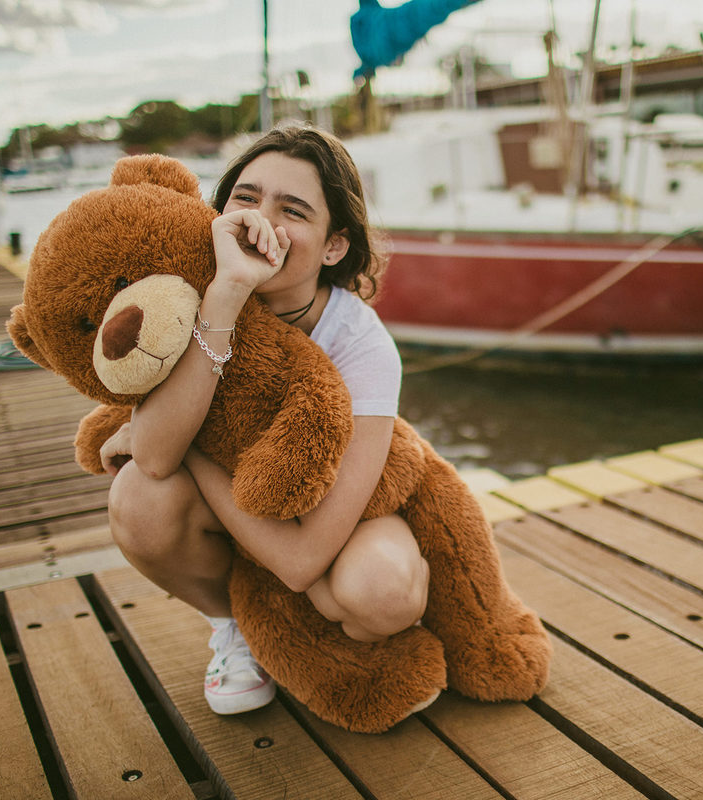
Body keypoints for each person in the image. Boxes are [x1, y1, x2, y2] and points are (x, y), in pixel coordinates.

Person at [98, 124, 429, 715]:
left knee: (382, 594)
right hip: (236, 508)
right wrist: (225, 294)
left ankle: (307, 628)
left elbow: (303, 561)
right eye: (246, 198)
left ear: (333, 246)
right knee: (137, 500)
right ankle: (236, 629)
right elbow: (150, 460)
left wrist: (190, 445)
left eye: (292, 209)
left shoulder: (361, 346)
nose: (260, 221)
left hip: (334, 521)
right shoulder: (189, 291)